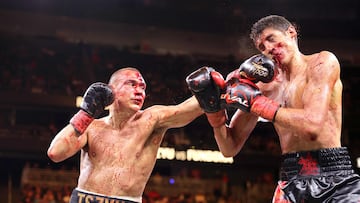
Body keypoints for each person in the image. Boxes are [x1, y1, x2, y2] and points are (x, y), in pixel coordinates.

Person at [187, 15, 360, 202]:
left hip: (336, 179)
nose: (268, 48)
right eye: (262, 47)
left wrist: (257, 103)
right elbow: (229, 147)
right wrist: (215, 114)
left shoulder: (321, 63)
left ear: (291, 33)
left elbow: (313, 125)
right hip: (291, 179)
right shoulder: (264, 87)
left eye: (271, 38)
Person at [47, 67, 203, 203]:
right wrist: (85, 113)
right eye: (132, 84)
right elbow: (56, 152)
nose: (139, 91)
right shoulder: (92, 126)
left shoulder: (152, 120)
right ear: (111, 89)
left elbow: (187, 109)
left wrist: (216, 90)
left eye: (142, 87)